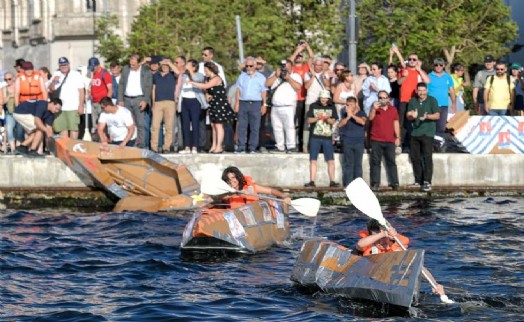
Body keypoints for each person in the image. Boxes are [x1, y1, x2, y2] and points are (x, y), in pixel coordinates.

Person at [356, 218, 447, 297]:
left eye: (384, 239)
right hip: (369, 272)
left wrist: (435, 284)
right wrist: (382, 235)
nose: (381, 242)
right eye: (376, 238)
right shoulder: (367, 244)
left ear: (390, 237)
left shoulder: (397, 247)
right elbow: (360, 244)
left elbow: (417, 266)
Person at [188, 62, 235, 154]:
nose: (205, 72)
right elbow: (206, 89)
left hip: (220, 103)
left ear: (211, 70)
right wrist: (207, 94)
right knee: (213, 125)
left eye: (206, 70)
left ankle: (219, 146)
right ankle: (214, 145)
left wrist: (192, 82)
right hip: (213, 103)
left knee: (218, 125)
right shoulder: (208, 79)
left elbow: (206, 86)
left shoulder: (216, 78)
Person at [407, 83, 440, 192]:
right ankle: (418, 180)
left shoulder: (432, 100)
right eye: (419, 90)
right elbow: (408, 115)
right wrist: (412, 115)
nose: (421, 93)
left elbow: (437, 115)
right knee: (415, 157)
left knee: (427, 157)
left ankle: (427, 181)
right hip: (415, 133)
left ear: (426, 90)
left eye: (423, 90)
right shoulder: (413, 101)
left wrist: (427, 117)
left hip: (427, 133)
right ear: (416, 91)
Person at [304, 89, 339, 188]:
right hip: (315, 136)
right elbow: (309, 120)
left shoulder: (332, 107)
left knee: (330, 160)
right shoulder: (313, 106)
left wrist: (327, 118)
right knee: (313, 160)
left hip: (327, 137)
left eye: (326, 98)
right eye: (322, 98)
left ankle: (332, 181)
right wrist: (318, 118)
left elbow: (333, 122)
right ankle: (312, 181)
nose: (324, 100)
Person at [266, 59, 303, 153]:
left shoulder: (295, 76)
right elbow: (267, 84)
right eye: (283, 66)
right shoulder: (275, 74)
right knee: (277, 127)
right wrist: (275, 75)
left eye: (286, 66)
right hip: (276, 106)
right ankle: (280, 146)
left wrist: (288, 78)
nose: (284, 68)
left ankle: (291, 146)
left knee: (289, 127)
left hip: (288, 106)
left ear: (291, 66)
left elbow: (298, 87)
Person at [117, 53, 153, 148]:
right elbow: (121, 84)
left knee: (140, 123)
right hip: (127, 98)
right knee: (128, 123)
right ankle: (129, 143)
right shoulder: (126, 69)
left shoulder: (146, 71)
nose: (131, 64)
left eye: (133, 62)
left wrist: (145, 100)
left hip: (139, 98)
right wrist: (120, 99)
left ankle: (141, 144)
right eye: (130, 61)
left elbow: (149, 87)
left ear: (139, 62)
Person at [234, 56, 267, 153]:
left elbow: (264, 91)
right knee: (242, 126)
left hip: (256, 103)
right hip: (243, 103)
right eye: (247, 66)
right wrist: (237, 103)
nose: (248, 68)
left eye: (251, 66)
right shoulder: (242, 76)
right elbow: (238, 90)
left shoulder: (261, 77)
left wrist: (264, 104)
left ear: (255, 66)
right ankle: (241, 146)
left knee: (255, 127)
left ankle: (252, 147)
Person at [368, 91, 400, 191]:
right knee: (375, 163)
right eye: (380, 98)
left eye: (384, 98)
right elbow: (370, 118)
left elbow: (396, 123)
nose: (382, 99)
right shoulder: (374, 108)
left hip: (390, 140)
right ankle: (375, 183)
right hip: (376, 139)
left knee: (391, 162)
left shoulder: (393, 109)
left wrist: (398, 137)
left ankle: (395, 183)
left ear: (388, 99)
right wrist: (374, 109)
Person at [221, 166, 291, 209]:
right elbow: (217, 198)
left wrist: (284, 196)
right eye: (228, 179)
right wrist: (236, 194)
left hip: (252, 215)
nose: (231, 181)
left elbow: (271, 191)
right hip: (235, 215)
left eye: (233, 178)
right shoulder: (224, 190)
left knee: (265, 200)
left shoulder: (250, 186)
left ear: (238, 177)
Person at [177, 59, 208, 154]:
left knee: (195, 125)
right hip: (185, 101)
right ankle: (187, 147)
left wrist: (190, 70)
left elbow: (197, 80)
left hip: (195, 101)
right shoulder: (184, 75)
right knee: (185, 125)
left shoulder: (199, 75)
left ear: (194, 67)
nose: (186, 66)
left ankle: (195, 146)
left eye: (189, 65)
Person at [338, 97, 367, 186]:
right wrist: (347, 117)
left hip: (359, 141)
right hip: (347, 141)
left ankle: (358, 185)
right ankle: (348, 184)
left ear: (355, 104)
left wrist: (352, 115)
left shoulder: (361, 113)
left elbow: (362, 122)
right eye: (348, 104)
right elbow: (340, 125)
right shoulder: (344, 113)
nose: (350, 106)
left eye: (351, 104)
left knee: (358, 164)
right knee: (348, 164)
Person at [151, 58, 177, 153]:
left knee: (169, 126)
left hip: (170, 102)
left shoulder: (173, 74)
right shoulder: (156, 75)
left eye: (167, 65)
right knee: (155, 126)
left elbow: (178, 72)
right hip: (158, 102)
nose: (165, 67)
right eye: (164, 65)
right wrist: (153, 103)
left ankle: (166, 147)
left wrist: (169, 63)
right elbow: (153, 89)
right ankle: (154, 147)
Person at [427, 58, 455, 139]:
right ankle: (430, 144)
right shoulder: (429, 76)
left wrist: (453, 104)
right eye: (436, 65)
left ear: (444, 66)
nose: (438, 67)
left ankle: (439, 145)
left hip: (444, 105)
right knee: (431, 126)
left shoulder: (448, 77)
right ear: (433, 66)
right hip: (431, 105)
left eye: (440, 65)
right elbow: (424, 90)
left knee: (441, 127)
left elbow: (452, 90)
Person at [88, 57, 113, 132]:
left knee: (103, 123)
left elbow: (110, 89)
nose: (92, 69)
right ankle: (97, 139)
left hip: (102, 103)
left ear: (98, 65)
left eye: (93, 67)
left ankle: (105, 139)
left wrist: (106, 103)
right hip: (94, 102)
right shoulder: (93, 74)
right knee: (95, 124)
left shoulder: (105, 74)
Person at [1, 72, 16, 154]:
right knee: (9, 130)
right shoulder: (4, 89)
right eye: (5, 79)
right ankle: (13, 149)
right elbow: (2, 101)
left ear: (13, 77)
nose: (8, 81)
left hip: (19, 112)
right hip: (9, 112)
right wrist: (10, 96)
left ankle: (19, 148)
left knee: (19, 131)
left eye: (9, 79)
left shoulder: (18, 87)